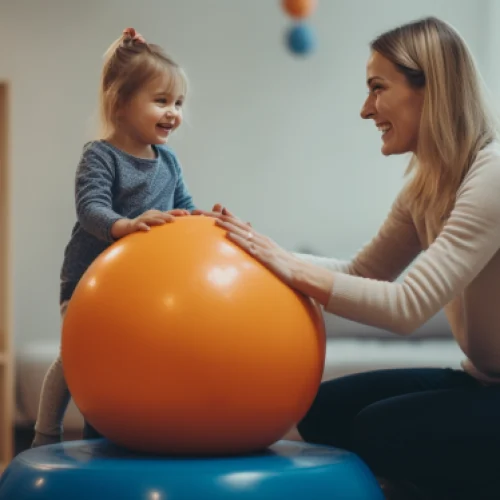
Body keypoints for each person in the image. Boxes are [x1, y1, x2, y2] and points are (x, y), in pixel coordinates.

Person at [211, 17, 500, 499]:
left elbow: (407, 306)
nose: (366, 110)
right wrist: (263, 253)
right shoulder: (425, 187)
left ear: (430, 88)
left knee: (383, 429)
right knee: (322, 409)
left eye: (377, 88)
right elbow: (362, 274)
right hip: (484, 381)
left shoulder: (492, 176)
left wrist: (293, 268)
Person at [32, 28, 202, 447]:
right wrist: (124, 226)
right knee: (78, 358)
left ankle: (125, 429)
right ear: (120, 103)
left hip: (142, 288)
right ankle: (44, 433)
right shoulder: (100, 155)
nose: (173, 113)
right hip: (90, 282)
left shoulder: (169, 160)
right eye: (160, 101)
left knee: (133, 360)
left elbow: (185, 205)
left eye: (178, 103)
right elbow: (90, 209)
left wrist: (206, 221)